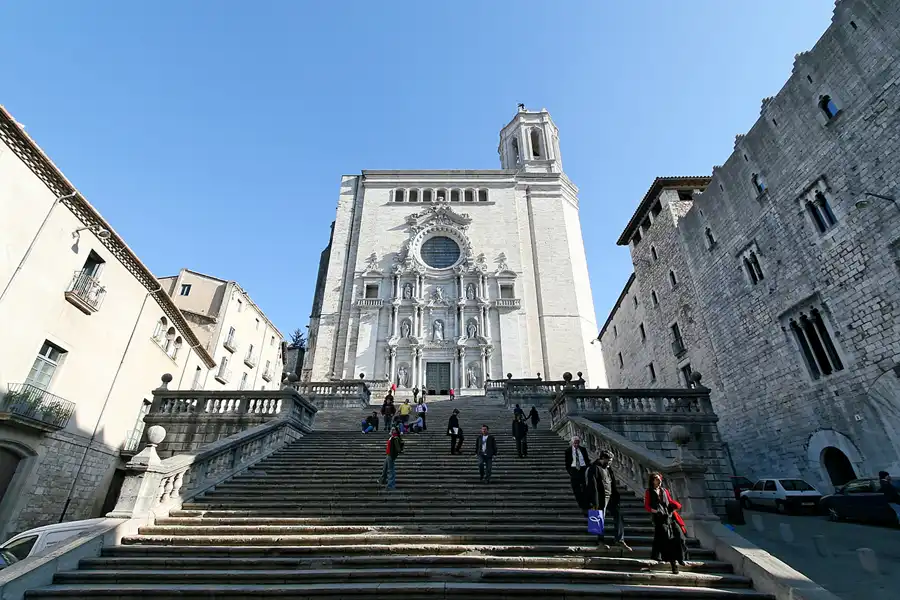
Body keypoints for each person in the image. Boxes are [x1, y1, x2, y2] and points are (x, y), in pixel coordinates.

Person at [585, 451, 631, 551]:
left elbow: (611, 482)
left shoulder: (608, 468)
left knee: (619, 516)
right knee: (597, 519)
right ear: (602, 458)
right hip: (600, 497)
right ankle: (600, 542)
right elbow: (592, 486)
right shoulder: (594, 468)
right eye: (608, 460)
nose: (610, 462)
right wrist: (594, 501)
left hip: (611, 496)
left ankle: (619, 539)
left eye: (610, 461)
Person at [644, 472, 687, 574]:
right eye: (656, 479)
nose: (659, 481)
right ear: (652, 481)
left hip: (670, 516)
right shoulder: (649, 492)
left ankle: (680, 558)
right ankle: (674, 564)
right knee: (668, 541)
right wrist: (656, 511)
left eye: (659, 479)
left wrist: (675, 505)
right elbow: (647, 506)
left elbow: (669, 501)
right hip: (659, 519)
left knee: (679, 536)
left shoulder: (665, 491)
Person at [565, 436, 590, 513]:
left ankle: (586, 504)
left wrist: (587, 467)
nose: (576, 444)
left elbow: (586, 459)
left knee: (585, 488)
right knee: (576, 489)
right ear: (572, 443)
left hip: (583, 469)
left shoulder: (583, 449)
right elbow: (567, 463)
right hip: (574, 470)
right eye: (575, 443)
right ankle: (581, 504)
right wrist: (571, 472)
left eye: (577, 443)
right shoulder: (568, 451)